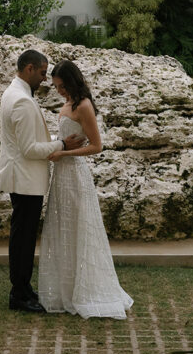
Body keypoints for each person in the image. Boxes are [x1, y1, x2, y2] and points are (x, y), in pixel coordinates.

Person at [38, 59, 133, 319]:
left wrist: (65, 154)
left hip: (75, 174)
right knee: (63, 230)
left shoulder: (84, 106)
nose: (60, 91)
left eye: (62, 86)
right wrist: (59, 147)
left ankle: (85, 291)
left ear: (72, 81)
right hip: (61, 174)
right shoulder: (67, 104)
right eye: (56, 87)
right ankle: (64, 289)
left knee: (78, 229)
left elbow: (96, 146)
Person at [0, 49, 84, 313]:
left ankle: (22, 288)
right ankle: (19, 294)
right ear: (29, 69)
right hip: (25, 179)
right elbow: (28, 149)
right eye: (43, 73)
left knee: (23, 237)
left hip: (24, 178)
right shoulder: (21, 100)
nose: (45, 79)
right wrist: (61, 144)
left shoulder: (16, 93)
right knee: (23, 239)